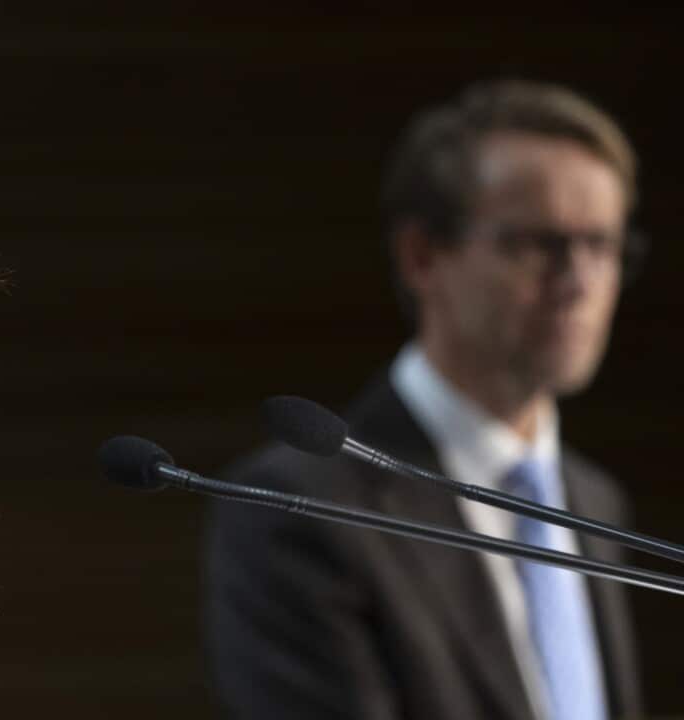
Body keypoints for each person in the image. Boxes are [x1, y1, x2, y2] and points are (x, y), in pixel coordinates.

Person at [203, 80, 644, 720]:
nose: (579, 281)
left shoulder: (594, 499)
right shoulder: (297, 513)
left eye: (602, 245)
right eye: (538, 243)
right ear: (422, 256)